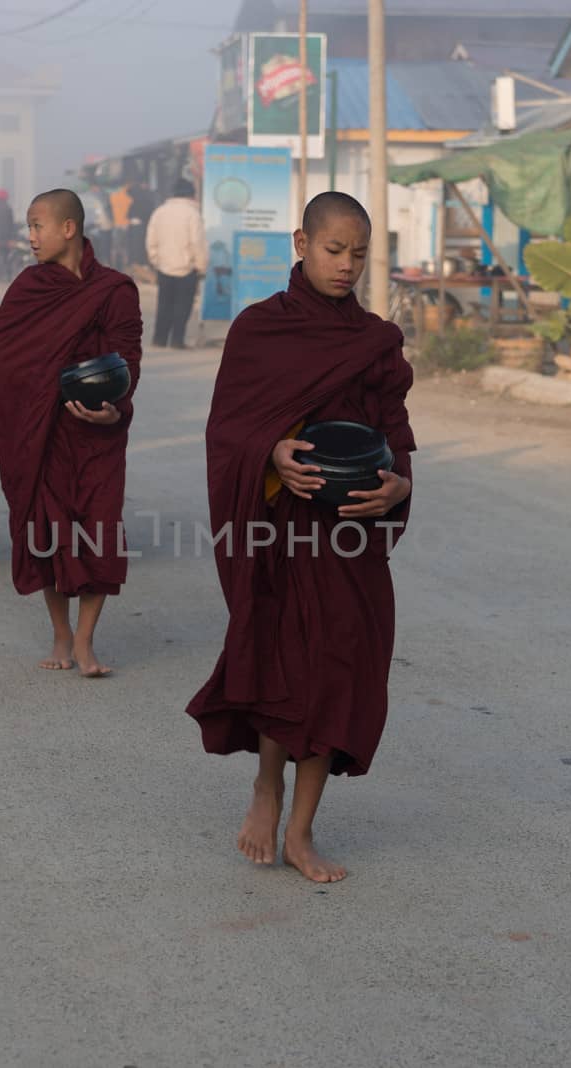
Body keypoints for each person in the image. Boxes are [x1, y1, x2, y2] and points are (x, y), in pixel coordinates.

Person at [184, 192, 416, 884]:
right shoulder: (260, 331)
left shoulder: (375, 341)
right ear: (300, 243)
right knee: (282, 660)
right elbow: (227, 428)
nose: (346, 265)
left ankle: (304, 829)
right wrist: (271, 452)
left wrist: (400, 483)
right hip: (282, 530)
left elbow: (394, 434)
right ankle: (266, 785)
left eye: (359, 253)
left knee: (343, 667)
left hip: (350, 535)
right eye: (333, 249)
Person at [0, 189, 142, 678]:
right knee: (44, 531)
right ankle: (61, 633)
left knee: (98, 532)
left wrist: (115, 410)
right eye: (28, 227)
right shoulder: (29, 288)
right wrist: (29, 389)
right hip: (40, 432)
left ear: (68, 229)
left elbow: (127, 359)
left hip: (96, 434)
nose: (29, 236)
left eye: (36, 226)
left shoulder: (115, 290)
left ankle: (87, 639)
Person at [145, 179, 208, 349]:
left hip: (164, 266)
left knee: (164, 303)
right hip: (187, 268)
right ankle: (177, 340)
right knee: (183, 305)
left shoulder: (160, 212)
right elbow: (197, 243)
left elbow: (151, 240)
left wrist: (155, 260)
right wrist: (201, 266)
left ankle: (159, 338)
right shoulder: (193, 214)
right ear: (191, 194)